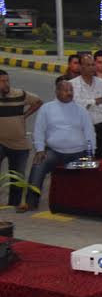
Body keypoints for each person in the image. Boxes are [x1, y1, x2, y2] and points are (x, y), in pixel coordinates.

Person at [25, 77, 95, 209]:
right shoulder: (47, 108)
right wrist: (40, 150)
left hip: (78, 154)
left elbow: (90, 133)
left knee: (92, 169)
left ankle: (84, 205)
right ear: (57, 92)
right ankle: (30, 202)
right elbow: (39, 131)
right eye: (65, 90)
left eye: (71, 90)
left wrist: (91, 153)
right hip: (54, 152)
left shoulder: (81, 110)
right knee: (38, 165)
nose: (69, 93)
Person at [0, 70, 42, 203]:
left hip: (19, 145)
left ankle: (14, 206)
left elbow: (38, 101)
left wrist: (25, 115)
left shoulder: (19, 94)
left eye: (7, 80)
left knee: (17, 180)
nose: (6, 84)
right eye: (2, 81)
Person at [70, 54, 102, 158]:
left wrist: (88, 105)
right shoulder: (72, 84)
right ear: (81, 67)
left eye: (93, 65)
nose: (91, 68)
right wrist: (95, 101)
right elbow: (76, 106)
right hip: (82, 130)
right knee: (85, 160)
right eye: (88, 65)